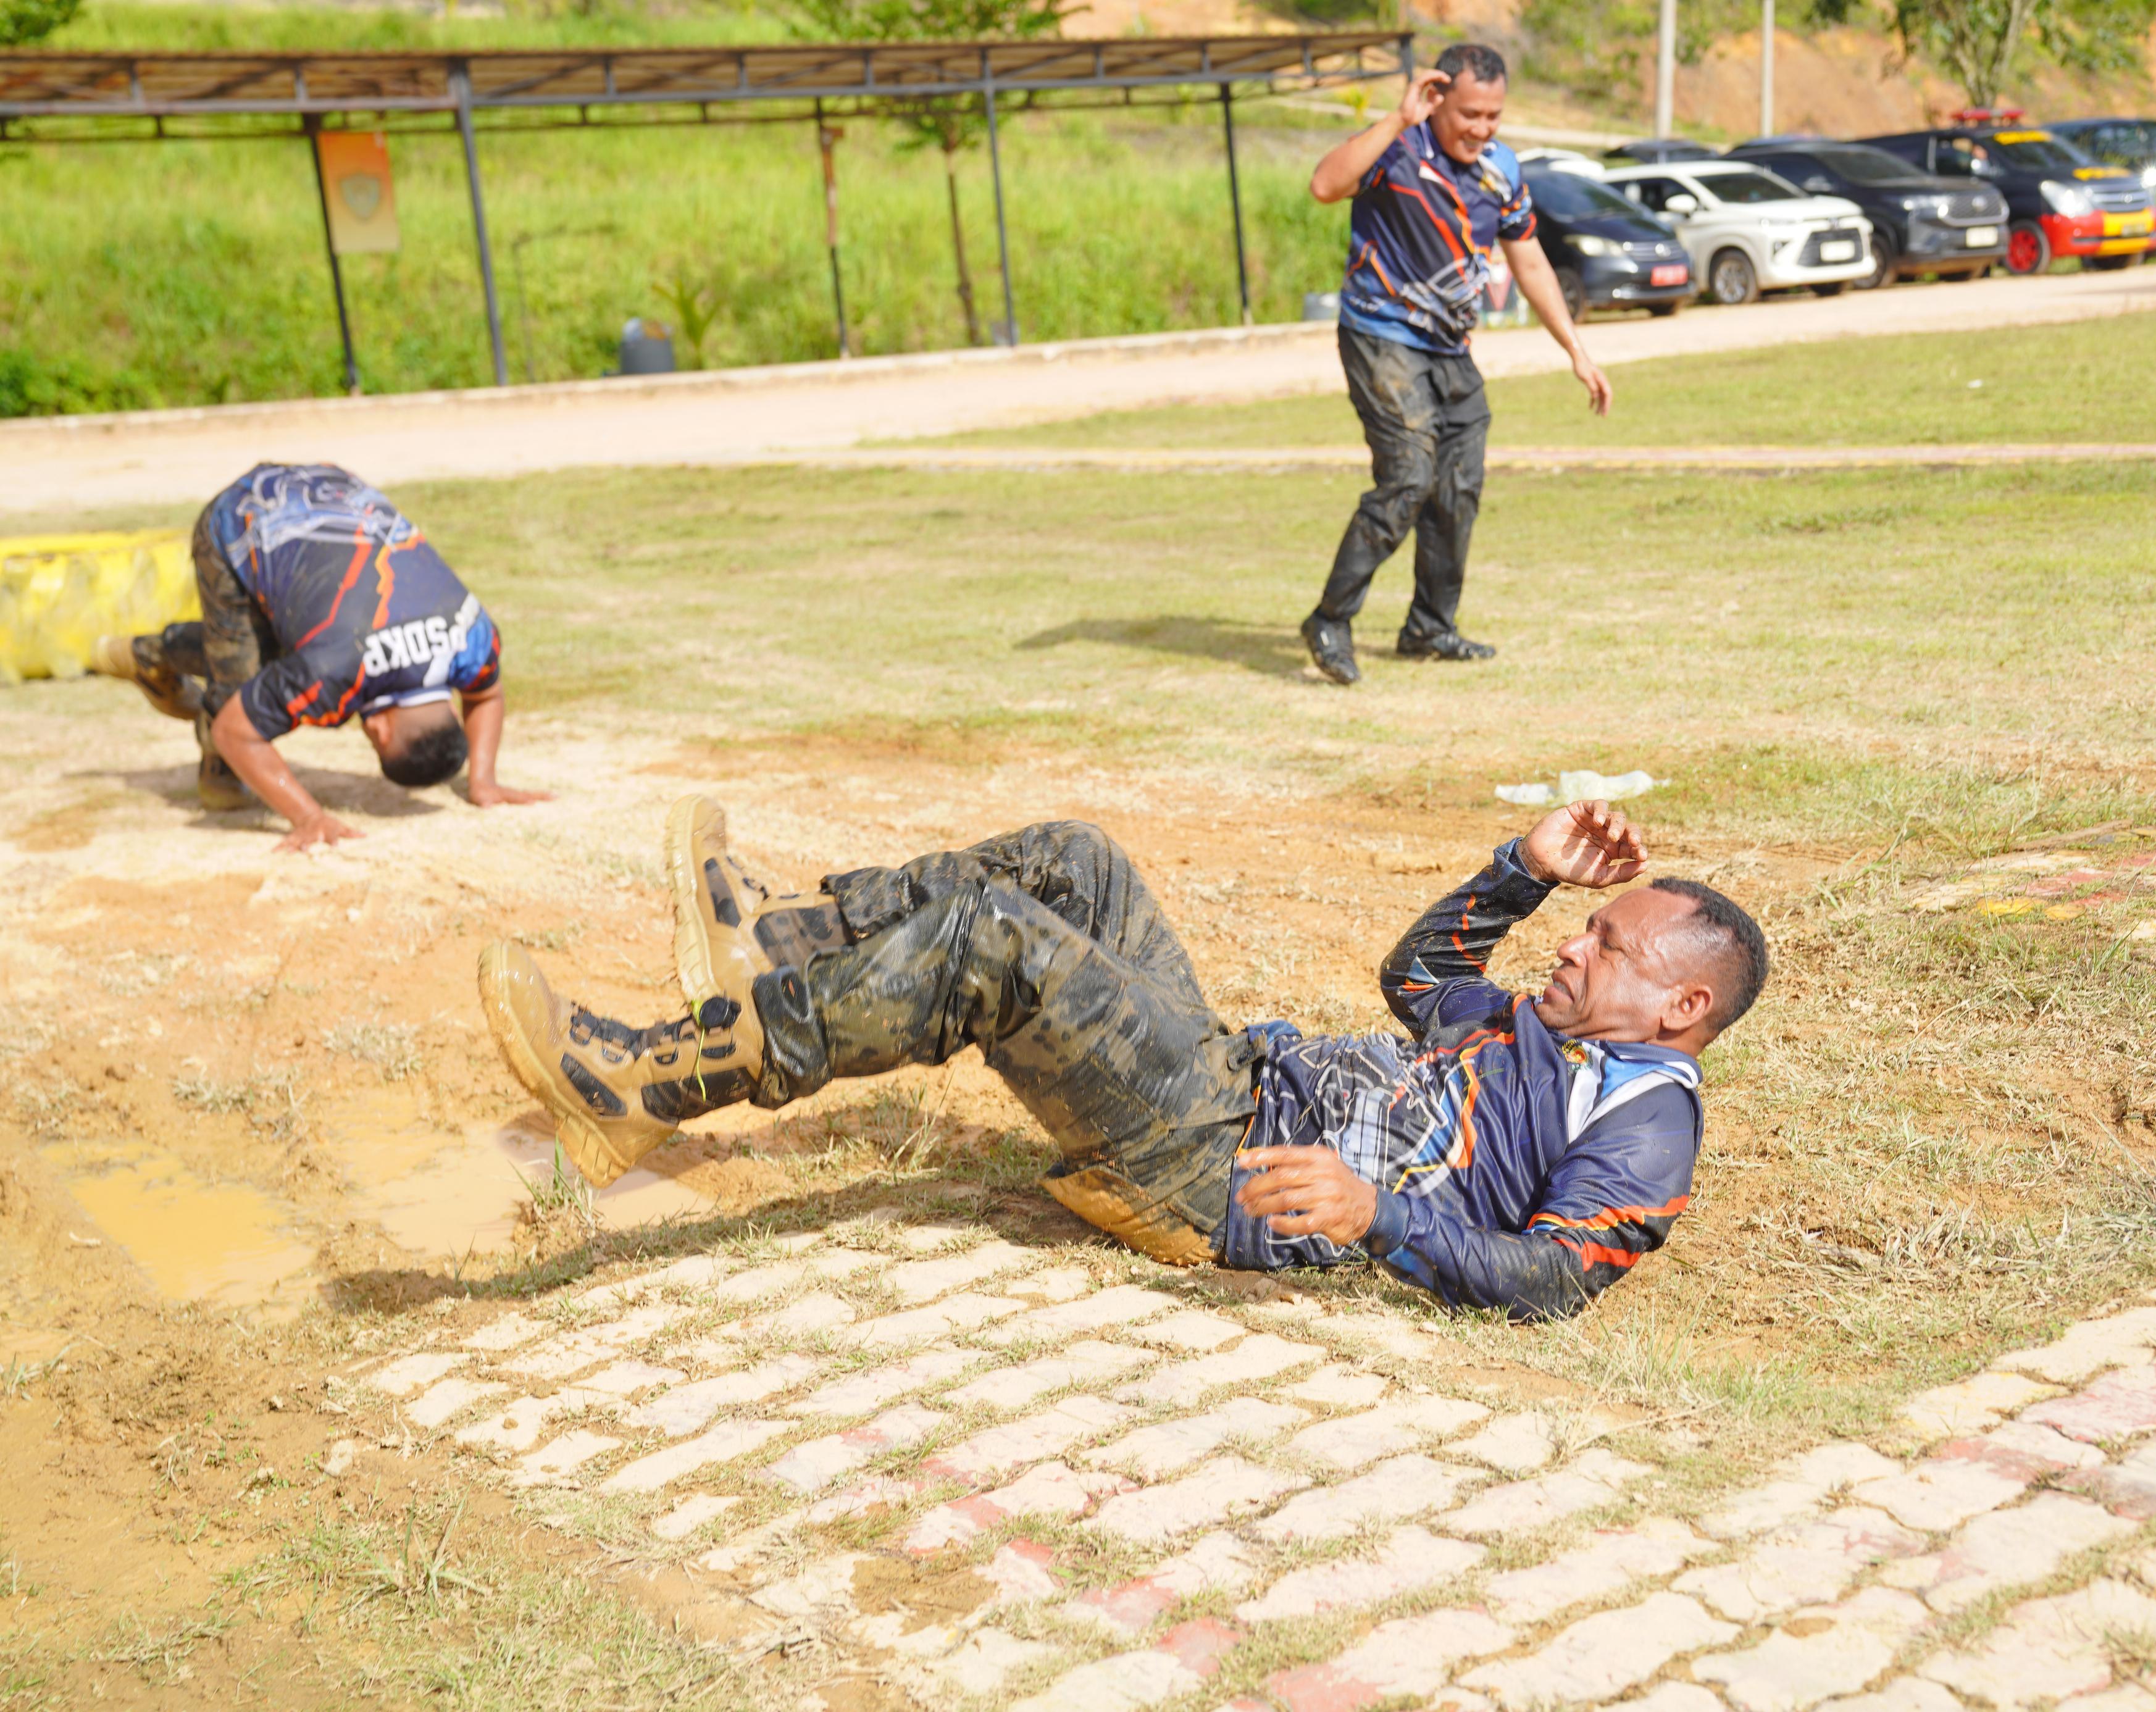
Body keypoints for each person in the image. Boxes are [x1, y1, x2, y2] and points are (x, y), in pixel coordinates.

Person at [478, 796, 1765, 1321]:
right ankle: (779, 941)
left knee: (1002, 944)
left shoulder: (1646, 1127)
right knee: (1075, 861)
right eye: (1583, 930)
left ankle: (642, 1087)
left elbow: (1554, 1279)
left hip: (1223, 1170)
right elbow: (1415, 980)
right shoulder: (1537, 1025)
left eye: (1608, 946)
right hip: (1230, 1078)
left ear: (1681, 1007)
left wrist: (1375, 1216)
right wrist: (1521, 871)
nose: (1574, 951)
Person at [1298, 44, 1613, 687]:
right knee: (1409, 474)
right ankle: (1330, 617)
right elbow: (1325, 185)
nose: (1482, 128)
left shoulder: (1501, 170)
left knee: (1457, 485)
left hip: (1450, 350)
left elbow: (1527, 260)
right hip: (1380, 336)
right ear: (1438, 99)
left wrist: (1575, 350)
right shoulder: (1398, 150)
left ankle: (1428, 627)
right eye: (1469, 113)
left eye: (1493, 115)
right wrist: (1396, 117)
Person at [91, 462, 548, 851]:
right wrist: (309, 816)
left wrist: (482, 779)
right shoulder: (336, 671)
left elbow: (487, 693)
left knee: (278, 656)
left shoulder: (474, 634)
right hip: (240, 520)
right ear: (379, 728)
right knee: (241, 691)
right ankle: (152, 656)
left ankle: (154, 654)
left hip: (332, 490)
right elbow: (237, 729)